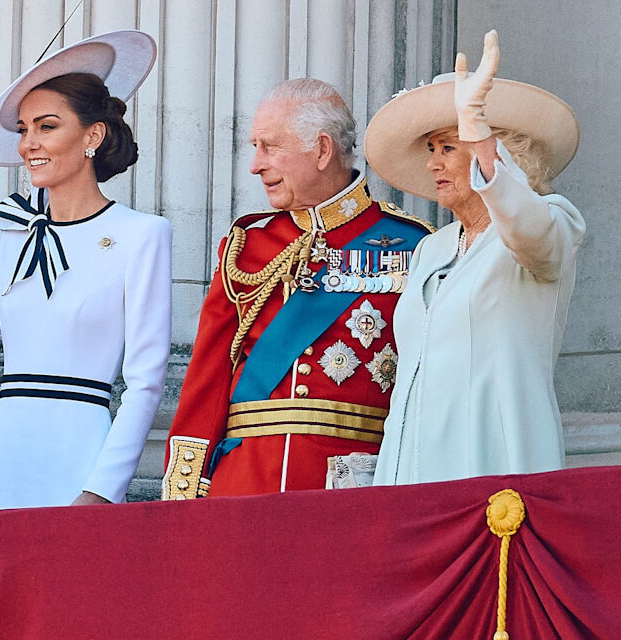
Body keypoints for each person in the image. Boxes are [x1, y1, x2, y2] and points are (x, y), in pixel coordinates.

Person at [0, 31, 171, 511]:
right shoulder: (9, 233)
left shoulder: (142, 235)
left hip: (83, 453)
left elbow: (146, 381)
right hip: (6, 453)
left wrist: (103, 488)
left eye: (46, 126)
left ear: (93, 136)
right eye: (23, 129)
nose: (28, 144)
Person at [163, 78, 434, 499]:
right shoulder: (247, 246)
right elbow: (206, 384)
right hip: (243, 486)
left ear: (322, 150)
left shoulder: (414, 246)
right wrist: (183, 498)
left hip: (353, 487)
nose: (255, 164)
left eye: (269, 147)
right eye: (255, 146)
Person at [364, 32, 584, 484]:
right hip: (411, 476)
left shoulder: (551, 226)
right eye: (431, 149)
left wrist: (478, 133)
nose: (433, 164)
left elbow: (530, 229)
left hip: (494, 469)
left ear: (500, 151)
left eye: (448, 147)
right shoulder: (432, 248)